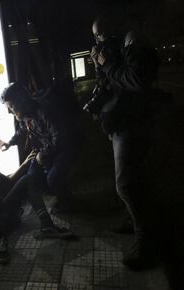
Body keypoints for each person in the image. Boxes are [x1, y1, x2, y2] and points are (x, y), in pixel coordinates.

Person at [89, 16, 164, 270]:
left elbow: (136, 80)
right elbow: (111, 83)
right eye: (96, 37)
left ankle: (147, 240)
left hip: (134, 123)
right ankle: (134, 221)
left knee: (127, 184)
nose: (100, 41)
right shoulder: (116, 48)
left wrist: (106, 62)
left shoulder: (133, 41)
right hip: (120, 122)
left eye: (102, 34)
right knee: (133, 178)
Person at [0, 82, 81, 237]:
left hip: (64, 147)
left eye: (11, 107)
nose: (9, 112)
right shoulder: (25, 114)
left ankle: (68, 201)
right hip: (48, 148)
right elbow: (23, 129)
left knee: (53, 177)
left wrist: (44, 154)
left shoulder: (45, 110)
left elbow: (60, 137)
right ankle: (47, 222)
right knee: (31, 177)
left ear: (20, 101)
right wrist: (10, 143)